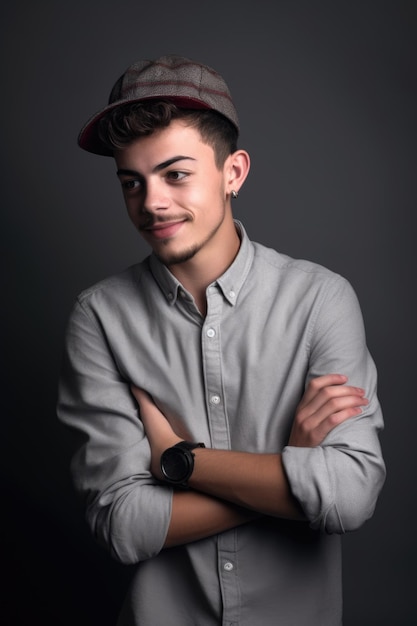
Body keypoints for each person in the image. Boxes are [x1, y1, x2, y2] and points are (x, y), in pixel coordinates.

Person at [57, 55, 385, 625]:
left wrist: (181, 464)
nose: (151, 202)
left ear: (233, 173)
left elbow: (352, 495)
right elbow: (123, 527)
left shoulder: (321, 300)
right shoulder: (100, 317)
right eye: (131, 182)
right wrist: (293, 471)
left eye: (175, 174)